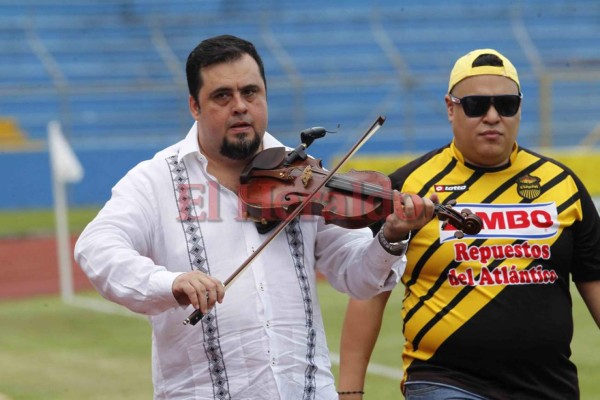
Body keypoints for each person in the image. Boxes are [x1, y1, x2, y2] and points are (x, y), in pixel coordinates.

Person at [74, 34, 436, 400]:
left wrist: (390, 237)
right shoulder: (155, 181)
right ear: (194, 106)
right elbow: (97, 248)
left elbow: (359, 278)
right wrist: (169, 283)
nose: (240, 106)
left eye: (251, 92)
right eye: (222, 96)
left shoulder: (308, 177)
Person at [337, 48, 600, 400]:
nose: (492, 116)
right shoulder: (407, 186)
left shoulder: (561, 184)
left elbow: (594, 280)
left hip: (550, 386)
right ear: (451, 107)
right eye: (476, 105)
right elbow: (369, 290)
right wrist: (350, 392)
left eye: (506, 105)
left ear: (519, 108)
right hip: (445, 381)